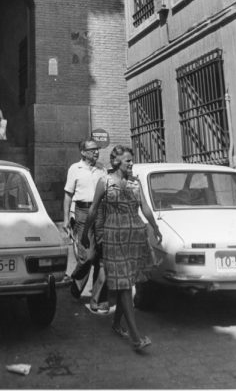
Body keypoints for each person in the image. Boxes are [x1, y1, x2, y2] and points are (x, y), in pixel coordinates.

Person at [81, 145, 163, 352]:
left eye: (131, 161)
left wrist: (155, 227)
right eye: (128, 161)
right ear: (117, 162)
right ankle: (136, 338)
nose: (131, 164)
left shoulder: (135, 183)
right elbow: (93, 210)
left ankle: (117, 324)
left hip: (135, 237)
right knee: (125, 285)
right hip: (113, 238)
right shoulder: (105, 182)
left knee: (128, 280)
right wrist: (85, 233)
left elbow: (144, 207)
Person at [63, 138, 109, 313]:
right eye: (92, 150)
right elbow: (68, 195)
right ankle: (75, 281)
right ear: (83, 152)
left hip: (101, 212)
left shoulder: (102, 169)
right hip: (82, 212)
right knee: (88, 256)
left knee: (103, 256)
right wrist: (66, 219)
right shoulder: (75, 169)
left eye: (97, 149)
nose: (96, 152)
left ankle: (98, 299)